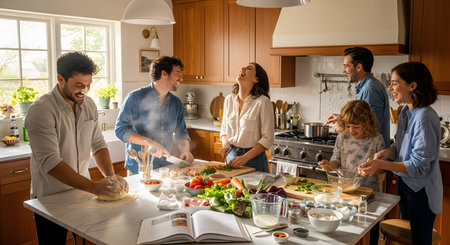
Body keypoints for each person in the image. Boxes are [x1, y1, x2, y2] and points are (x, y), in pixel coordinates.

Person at [25, 51, 128, 244]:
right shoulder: (40, 111)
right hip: (50, 199)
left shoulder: (88, 104)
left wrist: (111, 178)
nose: (85, 90)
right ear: (60, 79)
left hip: (81, 194)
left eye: (88, 84)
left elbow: (98, 144)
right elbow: (50, 162)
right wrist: (93, 187)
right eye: (79, 85)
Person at [358, 62, 442, 245]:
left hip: (421, 191)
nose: (390, 88)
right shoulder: (406, 111)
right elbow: (402, 146)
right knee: (408, 238)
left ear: (412, 86)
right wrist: (388, 152)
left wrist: (382, 165)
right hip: (406, 184)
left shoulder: (424, 117)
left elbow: (419, 165)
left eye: (395, 83)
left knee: (419, 240)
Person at [115, 56, 194, 174]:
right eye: (177, 73)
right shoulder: (135, 98)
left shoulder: (176, 103)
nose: (181, 78)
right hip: (140, 168)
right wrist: (150, 143)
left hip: (165, 168)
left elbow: (181, 133)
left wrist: (185, 150)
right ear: (164, 73)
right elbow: (121, 130)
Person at [327, 47, 390, 148]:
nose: (343, 70)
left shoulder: (370, 90)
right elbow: (363, 118)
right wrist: (342, 118)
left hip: (370, 154)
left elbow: (372, 127)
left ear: (359, 67)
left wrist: (343, 127)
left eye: (346, 66)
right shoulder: (365, 87)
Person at [318, 100, 385, 191]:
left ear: (367, 123)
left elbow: (383, 168)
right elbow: (336, 161)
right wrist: (329, 165)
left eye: (356, 127)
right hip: (344, 188)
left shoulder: (376, 139)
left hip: (368, 190)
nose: (351, 131)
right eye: (347, 126)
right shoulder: (342, 137)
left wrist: (372, 169)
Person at [219, 63, 274, 172]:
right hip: (231, 156)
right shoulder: (229, 100)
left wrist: (245, 158)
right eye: (243, 67)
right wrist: (225, 144)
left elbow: (267, 138)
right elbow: (224, 130)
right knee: (231, 189)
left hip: (254, 160)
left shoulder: (263, 102)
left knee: (255, 190)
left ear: (256, 79)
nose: (242, 68)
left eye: (249, 68)